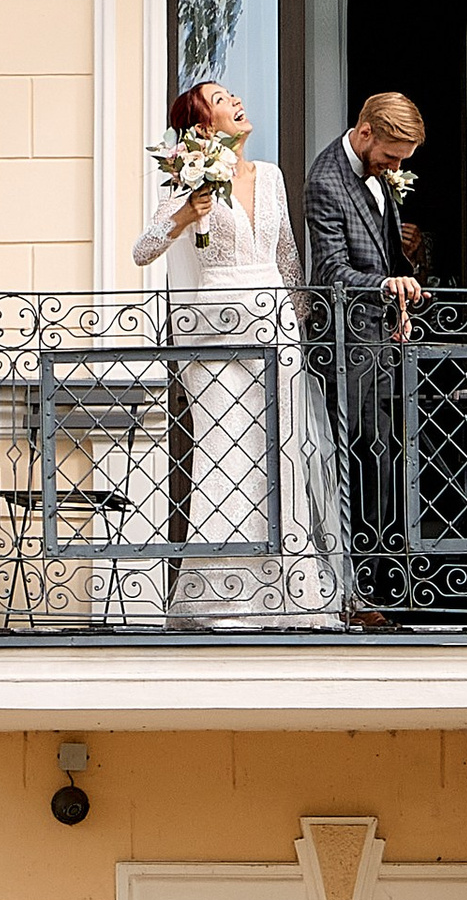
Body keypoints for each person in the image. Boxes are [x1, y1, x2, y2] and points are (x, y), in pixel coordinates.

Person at [131, 78, 342, 626]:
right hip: (215, 331)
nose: (237, 102)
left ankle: (290, 593)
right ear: (203, 126)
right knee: (228, 454)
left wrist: (298, 325)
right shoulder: (183, 179)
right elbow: (143, 250)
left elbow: (289, 258)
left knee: (283, 453)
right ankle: (222, 596)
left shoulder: (269, 177)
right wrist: (186, 213)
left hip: (276, 328)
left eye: (233, 95)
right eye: (221, 101)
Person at [305, 88, 426, 626]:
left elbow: (382, 249)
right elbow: (331, 272)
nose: (396, 167)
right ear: (366, 132)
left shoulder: (380, 175)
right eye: (392, 156)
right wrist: (386, 284)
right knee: (356, 460)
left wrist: (401, 285)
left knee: (384, 458)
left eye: (403, 161)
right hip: (346, 347)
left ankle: (373, 583)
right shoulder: (325, 180)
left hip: (382, 340)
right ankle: (350, 590)